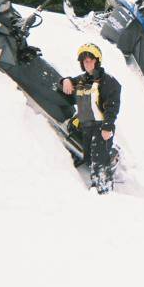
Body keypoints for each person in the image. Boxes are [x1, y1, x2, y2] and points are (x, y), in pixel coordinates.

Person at [58, 43, 121, 194]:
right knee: (89, 158)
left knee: (99, 161)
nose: (87, 63)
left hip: (101, 128)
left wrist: (107, 127)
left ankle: (103, 191)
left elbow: (112, 107)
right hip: (86, 126)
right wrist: (65, 80)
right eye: (84, 61)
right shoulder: (82, 80)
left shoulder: (108, 81)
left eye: (90, 60)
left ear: (97, 61)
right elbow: (65, 83)